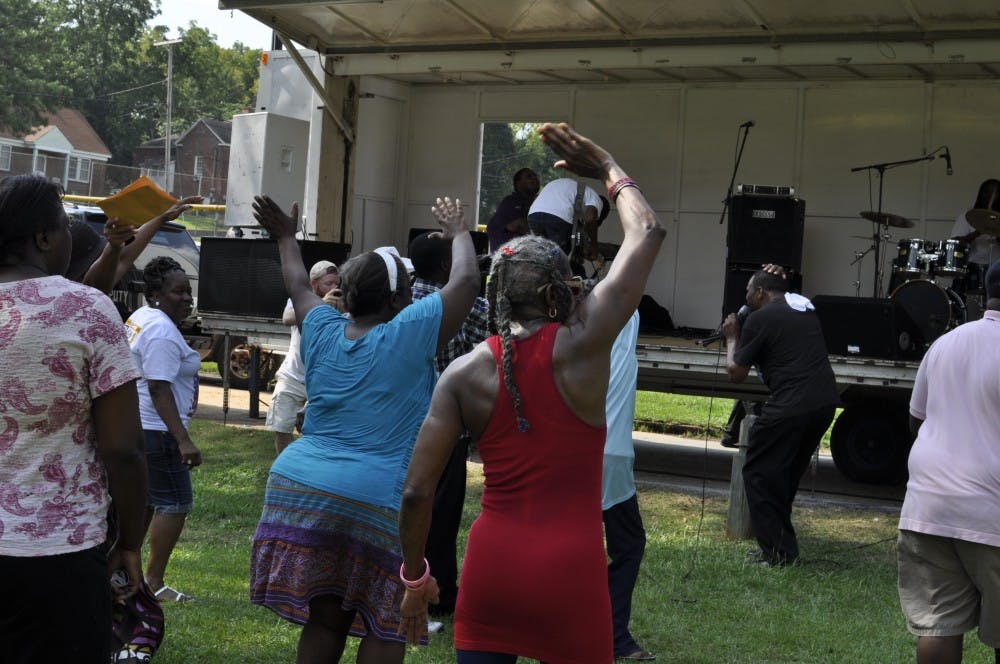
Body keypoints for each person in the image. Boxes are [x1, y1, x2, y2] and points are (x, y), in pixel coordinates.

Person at [398, 122, 666, 664]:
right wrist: (609, 168)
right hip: (571, 571)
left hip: (493, 567)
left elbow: (416, 493)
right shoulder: (584, 342)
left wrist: (414, 577)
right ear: (555, 291)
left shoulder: (465, 374)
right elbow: (648, 233)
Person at [249, 193, 479, 663]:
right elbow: (467, 281)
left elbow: (297, 281)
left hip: (299, 487)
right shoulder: (409, 330)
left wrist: (288, 238)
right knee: (389, 622)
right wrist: (458, 233)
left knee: (326, 618)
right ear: (398, 299)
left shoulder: (321, 327)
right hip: (375, 497)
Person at [0, 174, 147, 661]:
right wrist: (129, 542)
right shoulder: (87, 309)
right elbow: (122, 447)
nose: (68, 237)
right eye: (64, 226)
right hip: (60, 553)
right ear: (43, 238)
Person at [897, 259, 1000, 664]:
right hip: (989, 510)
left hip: (928, 504)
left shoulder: (946, 342)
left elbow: (915, 420)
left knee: (940, 624)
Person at [722, 270, 839, 566]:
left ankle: (777, 554)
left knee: (759, 474)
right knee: (784, 475)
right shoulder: (803, 308)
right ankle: (780, 549)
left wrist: (732, 337)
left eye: (749, 291)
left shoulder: (760, 319)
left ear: (760, 292)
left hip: (791, 405)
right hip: (823, 404)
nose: (746, 296)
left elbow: (736, 373)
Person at [408, 230, 491, 617]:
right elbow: (495, 332)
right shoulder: (465, 306)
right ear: (448, 266)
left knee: (406, 506)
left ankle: (404, 579)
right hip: (446, 430)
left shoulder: (399, 300)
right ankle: (439, 595)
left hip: (401, 425)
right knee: (440, 519)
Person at [125, 256, 203, 602]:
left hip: (139, 425)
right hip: (157, 430)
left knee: (145, 500)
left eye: (189, 291)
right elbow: (159, 388)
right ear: (156, 293)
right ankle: (153, 582)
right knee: (175, 502)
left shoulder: (144, 318)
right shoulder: (160, 331)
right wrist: (182, 440)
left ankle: (126, 572)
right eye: (178, 292)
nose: (187, 298)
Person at [602, 310, 654, 661]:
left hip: (577, 453)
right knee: (628, 544)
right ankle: (613, 635)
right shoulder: (624, 318)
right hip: (611, 457)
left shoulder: (570, 339)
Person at [266, 260, 340, 455]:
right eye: (329, 284)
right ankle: (285, 470)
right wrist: (322, 304)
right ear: (314, 284)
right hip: (292, 376)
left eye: (337, 283)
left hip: (323, 379)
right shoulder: (299, 299)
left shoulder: (341, 304)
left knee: (318, 433)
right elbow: (286, 318)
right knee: (282, 428)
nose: (334, 288)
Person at [527, 176, 610, 272]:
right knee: (559, 260)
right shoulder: (597, 200)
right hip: (557, 218)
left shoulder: (576, 194)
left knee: (541, 256)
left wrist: (581, 247)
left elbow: (578, 232)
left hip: (534, 215)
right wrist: (594, 246)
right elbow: (590, 219)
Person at [487, 168, 539, 254]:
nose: (534, 178)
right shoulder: (510, 202)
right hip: (511, 256)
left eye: (536, 176)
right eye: (529, 176)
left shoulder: (540, 202)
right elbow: (493, 227)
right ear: (518, 183)